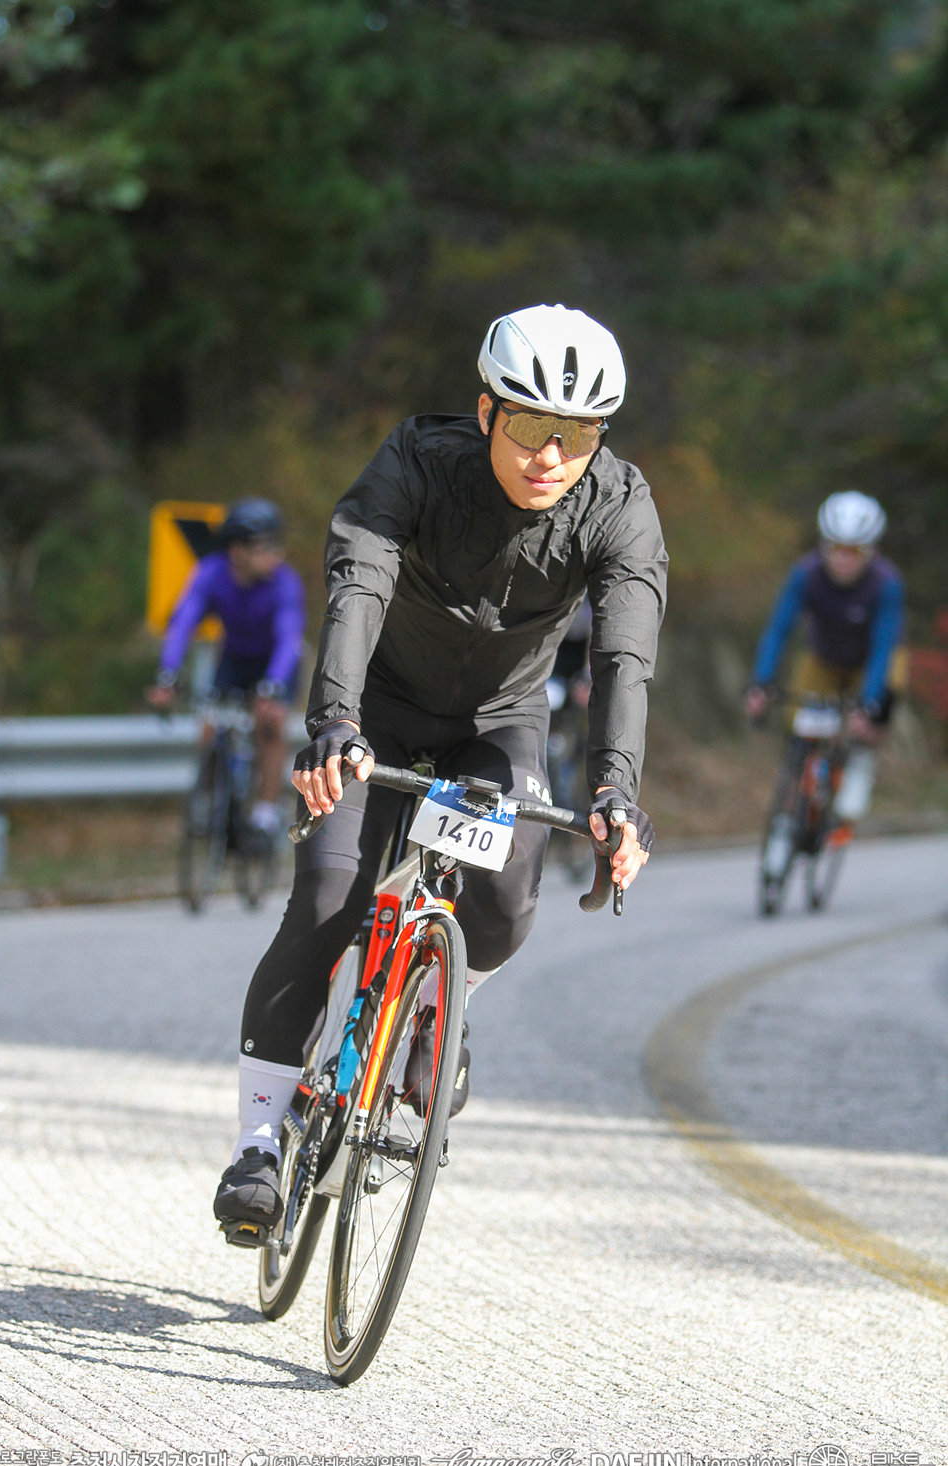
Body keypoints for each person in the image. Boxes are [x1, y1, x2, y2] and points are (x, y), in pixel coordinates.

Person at [213, 304, 667, 1242]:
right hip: (377, 706)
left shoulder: (619, 504)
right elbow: (359, 582)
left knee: (502, 905)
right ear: (487, 410)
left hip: (499, 723)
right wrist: (335, 723)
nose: (551, 455)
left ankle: (433, 1007)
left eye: (578, 434)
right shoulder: (418, 460)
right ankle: (258, 1146)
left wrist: (616, 790)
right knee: (329, 896)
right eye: (531, 425)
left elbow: (624, 655)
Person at [147, 498, 305, 843]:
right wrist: (167, 674)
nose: (276, 555)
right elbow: (183, 623)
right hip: (234, 659)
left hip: (276, 662)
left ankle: (264, 814)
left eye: (277, 545)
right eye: (265, 547)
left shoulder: (285, 583)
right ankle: (210, 802)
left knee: (269, 725)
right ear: (237, 551)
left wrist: (273, 686)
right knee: (210, 726)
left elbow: (288, 639)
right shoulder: (211, 573)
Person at [744, 491, 906, 825]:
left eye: (854, 551)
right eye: (835, 548)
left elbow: (882, 648)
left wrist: (868, 704)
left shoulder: (887, 584)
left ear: (871, 550)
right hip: (824, 657)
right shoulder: (806, 573)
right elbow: (779, 630)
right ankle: (793, 805)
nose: (843, 559)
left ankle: (861, 758)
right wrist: (761, 682)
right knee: (798, 722)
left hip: (871, 661)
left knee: (882, 698)